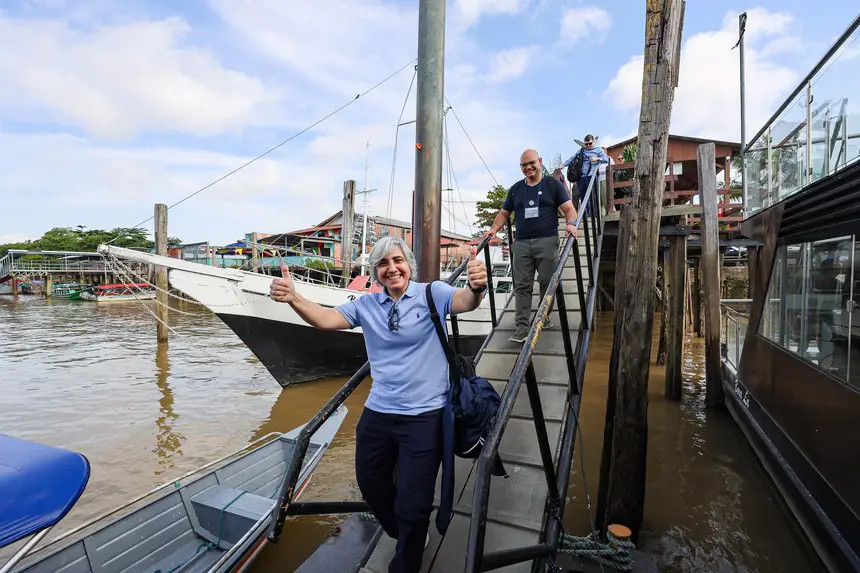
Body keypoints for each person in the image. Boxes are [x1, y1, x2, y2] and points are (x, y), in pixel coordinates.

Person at [269, 236, 488, 573]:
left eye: (397, 260)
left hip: (424, 416)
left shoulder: (433, 293)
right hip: (379, 414)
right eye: (383, 264)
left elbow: (465, 301)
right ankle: (406, 533)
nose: (392, 268)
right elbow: (326, 320)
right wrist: (294, 298)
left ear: (408, 265)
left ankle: (407, 554)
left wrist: (477, 288)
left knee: (415, 504)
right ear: (376, 272)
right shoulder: (367, 306)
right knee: (371, 484)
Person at [484, 149, 579, 344]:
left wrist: (570, 224)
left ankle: (544, 317)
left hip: (547, 240)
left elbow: (569, 209)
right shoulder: (516, 189)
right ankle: (522, 328)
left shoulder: (553, 184)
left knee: (547, 281)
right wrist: (493, 229)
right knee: (522, 286)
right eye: (523, 165)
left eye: (531, 163)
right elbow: (504, 213)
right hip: (521, 244)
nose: (528, 167)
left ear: (540, 161)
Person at [562, 134, 609, 214]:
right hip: (582, 177)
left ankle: (594, 214)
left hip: (592, 176)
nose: (588, 146)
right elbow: (573, 158)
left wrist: (597, 158)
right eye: (586, 144)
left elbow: (606, 159)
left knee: (593, 197)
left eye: (590, 143)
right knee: (583, 198)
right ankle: (587, 215)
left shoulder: (598, 150)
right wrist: (563, 164)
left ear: (593, 142)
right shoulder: (582, 150)